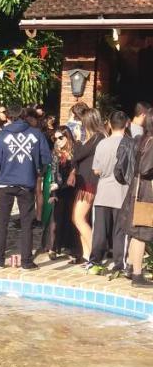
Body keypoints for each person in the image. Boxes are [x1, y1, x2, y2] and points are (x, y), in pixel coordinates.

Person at [0, 101, 51, 269]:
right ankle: (26, 261)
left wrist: (3, 173)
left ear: (8, 116)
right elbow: (46, 159)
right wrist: (36, 172)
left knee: (1, 221)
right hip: (27, 183)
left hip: (5, 183)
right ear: (24, 115)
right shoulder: (36, 134)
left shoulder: (2, 136)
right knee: (27, 223)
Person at [89, 110, 129, 274]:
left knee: (99, 231)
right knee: (120, 231)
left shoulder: (102, 144)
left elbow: (96, 170)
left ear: (110, 125)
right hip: (122, 193)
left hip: (103, 193)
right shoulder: (130, 144)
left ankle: (95, 261)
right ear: (126, 124)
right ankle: (119, 264)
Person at [120, 108, 153, 286]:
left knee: (136, 232)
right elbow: (146, 168)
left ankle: (131, 267)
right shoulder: (151, 141)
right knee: (141, 233)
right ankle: (138, 276)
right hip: (146, 194)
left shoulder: (143, 139)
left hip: (138, 191)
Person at [71, 108, 106, 265]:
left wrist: (77, 140)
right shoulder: (96, 138)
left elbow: (77, 155)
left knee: (78, 218)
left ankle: (95, 255)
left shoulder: (97, 138)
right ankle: (87, 255)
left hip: (89, 183)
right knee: (80, 218)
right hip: (85, 182)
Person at [40, 126, 77, 259]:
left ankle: (70, 247)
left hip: (73, 188)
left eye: (61, 138)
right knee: (56, 218)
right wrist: (55, 188)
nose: (58, 141)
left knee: (70, 218)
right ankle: (52, 247)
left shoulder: (75, 150)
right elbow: (55, 172)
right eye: (55, 138)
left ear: (68, 137)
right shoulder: (56, 152)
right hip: (60, 187)